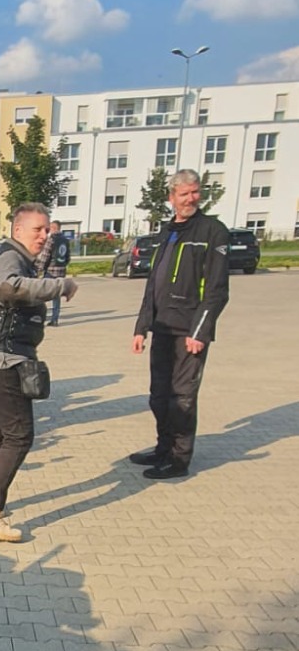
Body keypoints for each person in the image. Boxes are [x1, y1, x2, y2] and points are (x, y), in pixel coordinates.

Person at [0, 203, 77, 541]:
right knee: (19, 434)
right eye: (38, 229)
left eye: (47, 230)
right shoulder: (10, 257)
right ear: (18, 229)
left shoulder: (13, 257)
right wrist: (60, 285)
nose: (45, 235)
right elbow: (8, 288)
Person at [130, 168, 229, 479]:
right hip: (162, 327)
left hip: (189, 332)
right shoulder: (168, 231)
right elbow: (153, 284)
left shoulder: (213, 231)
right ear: (171, 197)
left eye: (195, 192)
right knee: (159, 395)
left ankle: (179, 459)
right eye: (184, 194)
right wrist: (141, 327)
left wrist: (199, 331)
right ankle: (163, 447)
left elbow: (217, 290)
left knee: (181, 398)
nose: (191, 198)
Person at [45, 221, 73, 326]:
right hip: (61, 271)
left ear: (53, 228)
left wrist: (40, 268)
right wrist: (63, 265)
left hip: (51, 270)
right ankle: (55, 319)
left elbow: (45, 255)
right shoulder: (65, 240)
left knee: (41, 292)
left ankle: (38, 316)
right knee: (57, 296)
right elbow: (68, 257)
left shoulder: (51, 239)